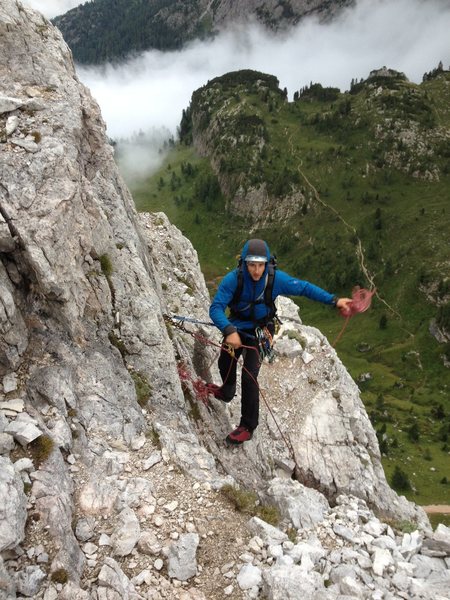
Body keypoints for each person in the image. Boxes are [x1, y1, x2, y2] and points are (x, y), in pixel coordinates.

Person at [209, 238, 352, 445]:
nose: (257, 271)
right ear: (244, 264)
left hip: (262, 331)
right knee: (225, 360)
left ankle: (248, 426)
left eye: (260, 265)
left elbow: (303, 288)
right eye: (252, 265)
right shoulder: (233, 280)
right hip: (237, 327)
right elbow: (216, 308)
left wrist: (334, 301)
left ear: (267, 264)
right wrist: (229, 330)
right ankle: (228, 390)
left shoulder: (275, 279)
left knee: (250, 375)